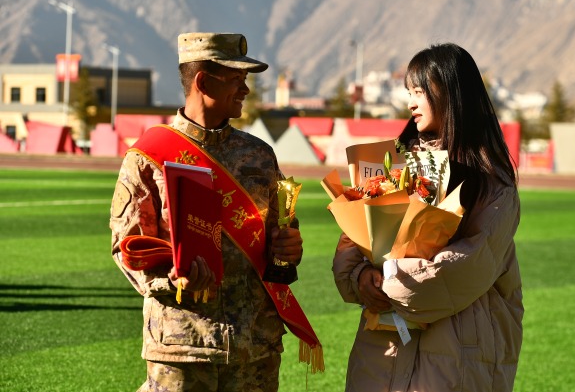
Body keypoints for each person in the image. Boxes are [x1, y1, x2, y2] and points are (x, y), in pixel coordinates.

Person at [110, 32, 306, 392]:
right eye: (236, 79)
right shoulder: (148, 157)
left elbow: (283, 234)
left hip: (254, 348)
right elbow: (127, 248)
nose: (246, 90)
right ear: (202, 81)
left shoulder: (259, 156)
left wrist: (290, 249)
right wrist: (171, 280)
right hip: (184, 347)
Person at [332, 43, 523, 391]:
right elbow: (351, 245)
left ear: (451, 94)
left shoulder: (493, 185)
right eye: (409, 92)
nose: (410, 103)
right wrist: (360, 276)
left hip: (457, 356)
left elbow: (465, 267)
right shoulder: (393, 166)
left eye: (419, 91)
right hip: (383, 353)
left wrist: (386, 277)